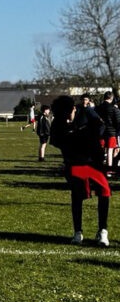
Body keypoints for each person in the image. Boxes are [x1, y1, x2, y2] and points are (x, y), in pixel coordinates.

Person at [50, 95, 110, 247]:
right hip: (75, 162)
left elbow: (102, 127)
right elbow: (56, 141)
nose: (67, 120)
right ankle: (78, 232)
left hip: (94, 161)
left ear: (74, 109)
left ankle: (102, 231)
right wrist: (71, 144)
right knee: (77, 196)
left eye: (68, 116)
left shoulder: (87, 112)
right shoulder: (58, 121)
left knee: (104, 191)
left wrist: (89, 140)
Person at [94, 91, 120, 170]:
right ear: (111, 98)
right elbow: (118, 122)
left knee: (101, 150)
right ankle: (109, 169)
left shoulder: (97, 108)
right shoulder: (114, 109)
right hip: (111, 132)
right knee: (110, 150)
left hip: (100, 132)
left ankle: (99, 168)